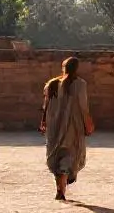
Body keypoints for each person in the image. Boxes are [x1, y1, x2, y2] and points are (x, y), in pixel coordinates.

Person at [39, 56, 94, 201]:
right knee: (69, 154)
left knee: (57, 154)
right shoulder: (80, 84)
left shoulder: (51, 84)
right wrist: (88, 123)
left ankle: (60, 189)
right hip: (72, 125)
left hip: (55, 124)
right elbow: (84, 107)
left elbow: (45, 106)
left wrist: (44, 121)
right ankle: (63, 185)